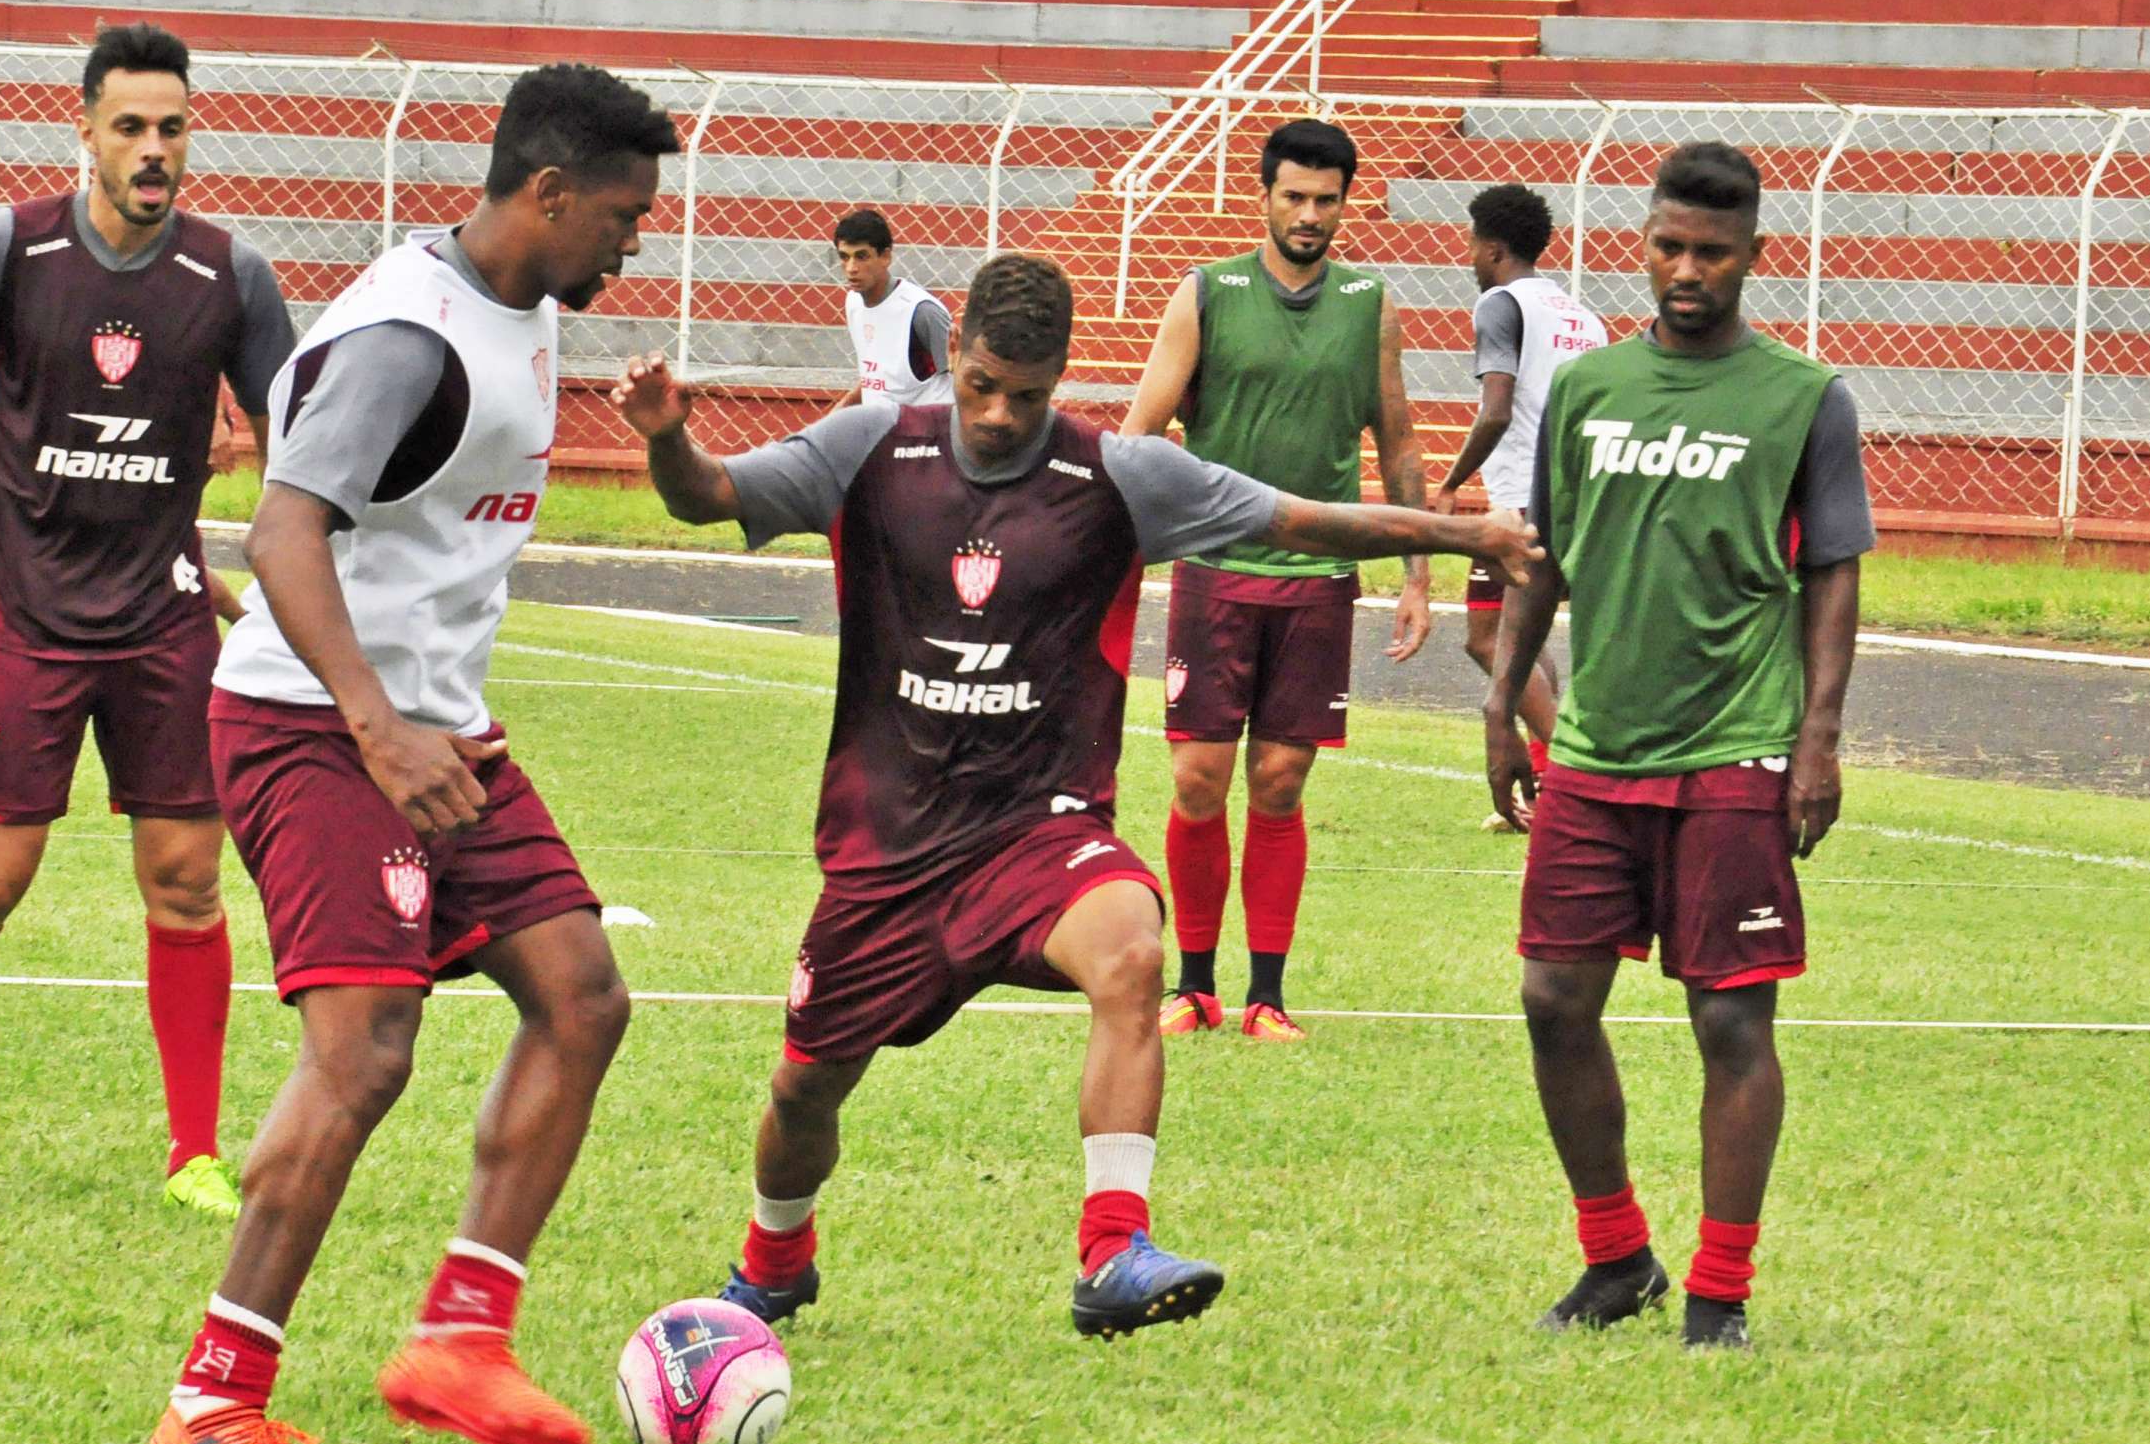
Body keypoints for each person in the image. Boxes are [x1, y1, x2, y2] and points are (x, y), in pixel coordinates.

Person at [614, 254, 1536, 1341]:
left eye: (1029, 394)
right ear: (951, 356)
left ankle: (1112, 1249)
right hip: (888, 849)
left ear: (1063, 381)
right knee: (803, 1092)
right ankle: (775, 1259)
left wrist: (1461, 532)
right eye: (981, 385)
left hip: (1037, 834)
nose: (1000, 414)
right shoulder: (870, 447)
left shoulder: (1119, 475)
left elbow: (1299, 520)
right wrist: (668, 435)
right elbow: (709, 497)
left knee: (1131, 950)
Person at [142, 63, 679, 1444]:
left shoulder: (526, 304)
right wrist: (376, 721)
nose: (636, 241)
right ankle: (210, 1404)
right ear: (547, 193)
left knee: (582, 994)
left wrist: (414, 720)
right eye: (623, 215)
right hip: (317, 726)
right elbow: (280, 536)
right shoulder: (406, 336)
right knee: (366, 1047)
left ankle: (464, 1336)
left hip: (440, 728)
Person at [0, 21, 296, 1214]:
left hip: (162, 620)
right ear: (87, 132)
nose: (153, 150)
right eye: (131, 128)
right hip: (28, 612)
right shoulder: (6, 252)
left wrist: (254, 552)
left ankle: (194, 1152)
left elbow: (302, 445)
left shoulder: (231, 277)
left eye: (172, 128)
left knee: (185, 880)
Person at [1485, 142, 1874, 1351]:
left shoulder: (1804, 397)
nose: (1685, 270)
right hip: (1597, 748)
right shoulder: (1591, 391)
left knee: (1728, 1023)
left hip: (1736, 748)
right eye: (1667, 246)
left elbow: (1831, 573)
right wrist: (1504, 700)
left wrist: (1817, 739)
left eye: (1711, 251)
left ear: (1756, 256)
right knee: (1553, 997)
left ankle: (1719, 1290)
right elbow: (1544, 556)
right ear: (1641, 246)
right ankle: (1616, 1261)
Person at [1120, 119, 1428, 1043]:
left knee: (1284, 782)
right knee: (1198, 779)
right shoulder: (1207, 292)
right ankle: (1196, 985)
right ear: (1263, 195)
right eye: (1293, 196)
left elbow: (1400, 438)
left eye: (1326, 200)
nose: (1308, 214)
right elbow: (1141, 432)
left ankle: (1267, 997)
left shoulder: (1371, 302)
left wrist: (1415, 573)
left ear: (1346, 204)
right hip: (1217, 571)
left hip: (1319, 578)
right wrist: (1111, 548)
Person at [1431, 183, 1606, 828]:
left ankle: (1572, 787)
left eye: (1473, 244)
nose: (1468, 257)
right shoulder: (1583, 317)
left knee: (1486, 641)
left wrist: (1451, 483)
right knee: (1521, 640)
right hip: (1579, 499)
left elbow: (1497, 410)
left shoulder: (1500, 306)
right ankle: (1538, 790)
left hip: (1520, 507)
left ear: (1494, 248)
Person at [834, 207, 954, 411]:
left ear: (886, 257)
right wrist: (839, 411)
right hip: (881, 430)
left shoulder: (922, 312)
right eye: (845, 257)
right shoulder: (853, 302)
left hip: (927, 437)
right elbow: (880, 379)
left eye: (862, 256)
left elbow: (960, 380)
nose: (851, 268)